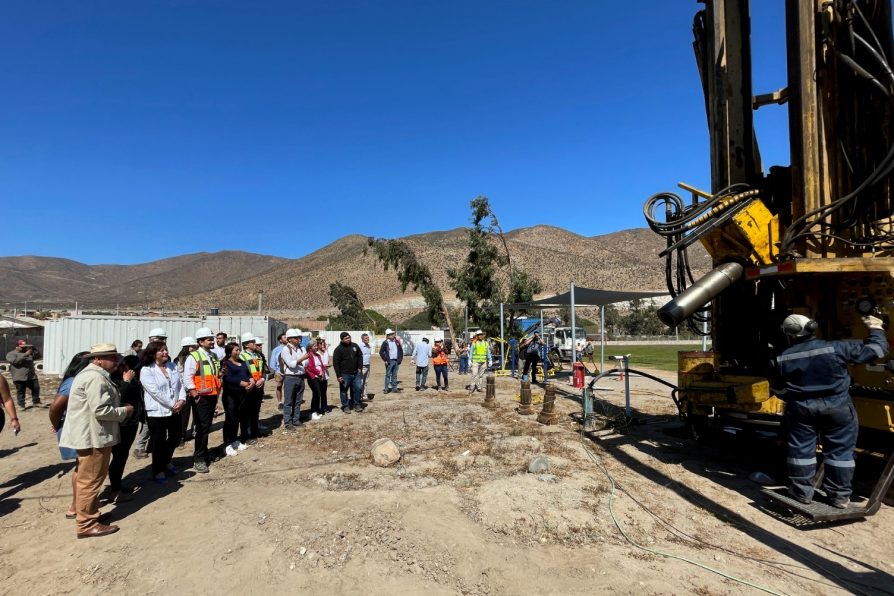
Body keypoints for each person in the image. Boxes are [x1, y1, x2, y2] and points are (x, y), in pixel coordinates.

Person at [772, 313, 888, 508]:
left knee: (801, 451)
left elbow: (778, 390)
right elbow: (876, 351)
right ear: (811, 327)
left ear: (789, 334)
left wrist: (796, 397)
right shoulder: (837, 348)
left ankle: (801, 493)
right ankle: (840, 497)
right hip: (838, 407)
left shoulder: (781, 358)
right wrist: (876, 329)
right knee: (841, 453)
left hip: (801, 409)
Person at [58, 343, 134, 539]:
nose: (116, 361)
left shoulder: (94, 375)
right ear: (97, 359)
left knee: (90, 479)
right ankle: (86, 523)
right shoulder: (94, 378)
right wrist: (124, 411)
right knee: (90, 481)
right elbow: (101, 411)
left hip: (93, 435)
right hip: (93, 437)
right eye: (111, 357)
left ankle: (91, 515)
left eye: (116, 357)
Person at [49, 352, 90, 519]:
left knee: (81, 467)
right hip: (74, 429)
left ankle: (78, 504)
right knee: (81, 468)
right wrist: (56, 423)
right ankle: (75, 506)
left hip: (78, 427)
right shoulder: (72, 382)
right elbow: (55, 407)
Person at [140, 342, 186, 484]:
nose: (165, 352)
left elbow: (180, 384)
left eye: (166, 349)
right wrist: (173, 404)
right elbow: (155, 392)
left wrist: (182, 399)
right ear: (153, 353)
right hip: (157, 411)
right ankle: (157, 469)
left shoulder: (171, 366)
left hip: (175, 409)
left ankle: (166, 461)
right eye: (161, 351)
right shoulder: (147, 370)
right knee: (158, 441)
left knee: (176, 437)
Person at [182, 327, 221, 473]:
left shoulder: (213, 356)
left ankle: (203, 453)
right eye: (209, 339)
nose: (212, 341)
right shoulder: (194, 357)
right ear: (200, 342)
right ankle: (199, 459)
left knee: (207, 427)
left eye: (212, 339)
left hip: (211, 396)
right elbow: (187, 377)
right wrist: (195, 394)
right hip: (200, 398)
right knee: (202, 428)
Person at [106, 355, 142, 502]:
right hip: (120, 423)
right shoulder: (113, 380)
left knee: (122, 455)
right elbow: (118, 398)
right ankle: (114, 490)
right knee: (118, 456)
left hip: (131, 423)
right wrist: (127, 381)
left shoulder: (134, 379)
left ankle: (117, 485)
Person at [132, 328, 168, 458]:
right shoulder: (144, 355)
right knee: (148, 421)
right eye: (158, 339)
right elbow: (137, 375)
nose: (160, 342)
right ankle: (139, 447)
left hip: (161, 393)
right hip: (147, 393)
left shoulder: (163, 354)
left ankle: (151, 445)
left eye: (162, 339)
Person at [220, 342, 251, 453]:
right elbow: (227, 378)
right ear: (230, 352)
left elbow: (248, 374)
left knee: (239, 418)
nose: (238, 352)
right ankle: (227, 444)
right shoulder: (225, 363)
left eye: (239, 350)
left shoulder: (242, 362)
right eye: (236, 350)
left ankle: (234, 440)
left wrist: (251, 382)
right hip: (230, 396)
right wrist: (240, 383)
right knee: (231, 419)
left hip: (242, 395)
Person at [279, 329, 309, 430]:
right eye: (296, 338)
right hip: (290, 378)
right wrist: (301, 360)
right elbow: (291, 365)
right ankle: (288, 422)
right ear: (290, 339)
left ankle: (296, 419)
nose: (299, 339)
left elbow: (306, 363)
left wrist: (299, 361)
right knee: (288, 401)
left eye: (299, 337)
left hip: (300, 377)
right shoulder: (286, 349)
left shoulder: (301, 348)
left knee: (298, 401)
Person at [239, 332, 266, 440]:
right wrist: (250, 382)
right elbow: (242, 372)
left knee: (255, 411)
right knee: (246, 412)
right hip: (249, 388)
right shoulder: (242, 356)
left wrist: (262, 379)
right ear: (246, 344)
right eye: (252, 342)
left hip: (259, 387)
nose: (255, 343)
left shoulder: (258, 356)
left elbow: (263, 370)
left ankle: (255, 431)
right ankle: (246, 434)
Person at [174, 337, 197, 446]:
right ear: (187, 347)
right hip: (186, 391)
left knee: (196, 414)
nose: (195, 348)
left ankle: (194, 432)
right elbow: (180, 377)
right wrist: (185, 389)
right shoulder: (179, 360)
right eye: (192, 346)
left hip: (196, 390)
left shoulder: (195, 357)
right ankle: (181, 437)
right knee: (184, 416)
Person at [333, 332, 365, 413]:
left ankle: (356, 404)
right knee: (344, 391)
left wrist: (360, 367)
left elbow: (360, 355)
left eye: (349, 337)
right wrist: (338, 375)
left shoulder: (355, 346)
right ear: (342, 339)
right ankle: (345, 406)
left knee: (358, 388)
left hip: (356, 373)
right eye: (346, 338)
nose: (348, 339)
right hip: (344, 374)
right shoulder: (338, 349)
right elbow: (336, 364)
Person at [6, 339, 42, 408]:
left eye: (25, 347)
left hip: (31, 376)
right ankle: (21, 405)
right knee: (21, 391)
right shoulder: (11, 354)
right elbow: (14, 361)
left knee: (36, 388)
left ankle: (36, 402)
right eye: (22, 347)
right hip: (19, 377)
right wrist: (25, 355)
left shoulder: (29, 353)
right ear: (17, 346)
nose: (24, 348)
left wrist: (35, 349)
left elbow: (38, 357)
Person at [304, 340, 328, 419]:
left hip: (319, 376)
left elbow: (322, 365)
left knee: (318, 394)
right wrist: (318, 372)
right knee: (316, 392)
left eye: (317, 346)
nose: (317, 347)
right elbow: (310, 367)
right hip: (312, 377)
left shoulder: (318, 355)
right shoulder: (309, 355)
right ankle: (313, 411)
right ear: (310, 348)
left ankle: (316, 411)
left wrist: (323, 372)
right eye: (315, 346)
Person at [379, 329, 403, 394]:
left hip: (396, 361)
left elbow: (401, 351)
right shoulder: (385, 342)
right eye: (391, 334)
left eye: (393, 334)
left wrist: (400, 360)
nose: (393, 335)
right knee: (388, 375)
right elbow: (381, 352)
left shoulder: (397, 342)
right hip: (389, 361)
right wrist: (385, 360)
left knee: (395, 375)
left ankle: (394, 389)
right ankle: (386, 389)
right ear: (388, 335)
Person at [270, 333, 288, 411]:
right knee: (279, 387)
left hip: (288, 372)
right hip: (279, 372)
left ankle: (287, 402)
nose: (286, 338)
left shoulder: (289, 348)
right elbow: (272, 362)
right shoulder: (276, 350)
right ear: (280, 340)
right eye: (284, 337)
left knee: (288, 387)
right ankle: (280, 402)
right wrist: (276, 370)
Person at [359, 333, 373, 400]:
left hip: (367, 365)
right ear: (362, 339)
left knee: (366, 381)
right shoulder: (360, 346)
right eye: (366, 338)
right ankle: (358, 396)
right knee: (360, 382)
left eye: (368, 338)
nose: (367, 339)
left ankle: (364, 396)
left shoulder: (369, 346)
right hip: (362, 366)